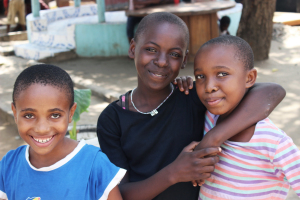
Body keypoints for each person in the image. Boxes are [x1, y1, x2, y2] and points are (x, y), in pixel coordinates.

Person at [97, 12, 285, 200]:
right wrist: (174, 173)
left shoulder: (194, 96)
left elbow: (272, 91)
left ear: (184, 60)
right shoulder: (112, 119)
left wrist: (214, 137)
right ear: (132, 49)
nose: (162, 61)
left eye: (174, 54)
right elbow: (119, 194)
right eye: (151, 50)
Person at [195, 35, 300, 199]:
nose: (209, 87)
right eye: (200, 76)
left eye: (222, 74)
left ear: (249, 78)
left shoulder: (273, 142)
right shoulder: (209, 119)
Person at [0, 64, 126, 200]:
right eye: (29, 115)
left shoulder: (95, 165)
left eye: (55, 115)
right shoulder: (9, 165)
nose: (42, 129)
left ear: (71, 113)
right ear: (15, 113)